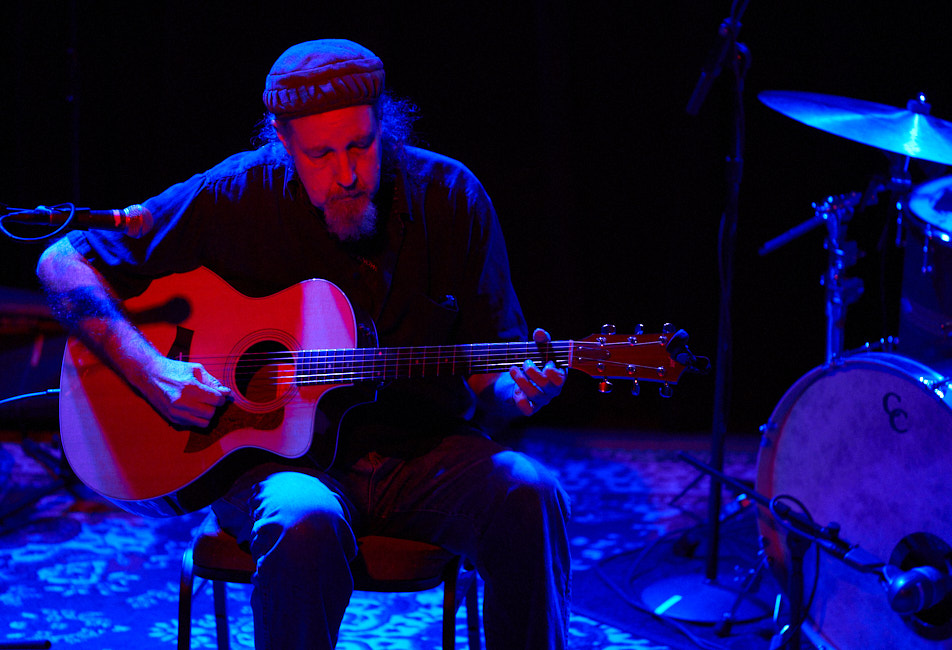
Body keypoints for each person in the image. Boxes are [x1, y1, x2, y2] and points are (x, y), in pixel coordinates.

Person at [36, 39, 570, 649]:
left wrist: (519, 390)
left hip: (424, 454)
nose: (345, 174)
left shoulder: (451, 197)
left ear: (385, 129)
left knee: (531, 492)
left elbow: (490, 375)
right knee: (303, 518)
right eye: (320, 154)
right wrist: (153, 369)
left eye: (360, 146)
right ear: (283, 144)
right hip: (280, 466)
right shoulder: (234, 196)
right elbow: (63, 261)